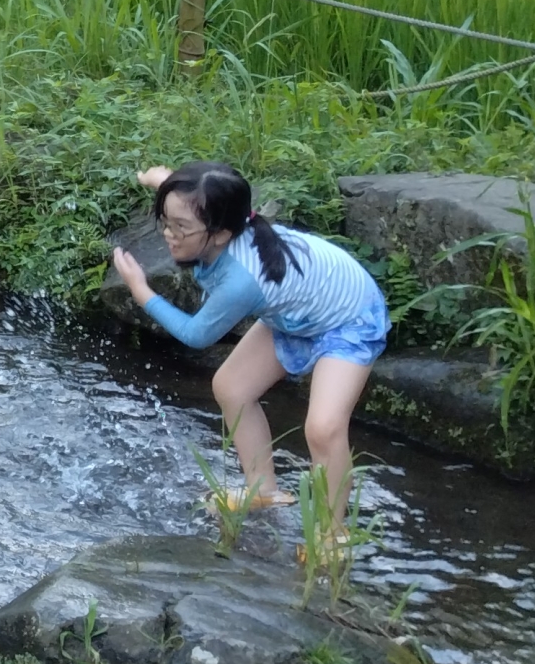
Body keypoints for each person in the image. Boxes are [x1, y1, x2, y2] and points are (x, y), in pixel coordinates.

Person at [108, 162, 389, 530]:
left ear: (222, 233)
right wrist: (157, 180)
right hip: (296, 313)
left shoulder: (241, 281)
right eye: (165, 220)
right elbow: (185, 200)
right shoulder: (214, 211)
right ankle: (263, 489)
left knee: (323, 428)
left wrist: (141, 291)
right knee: (232, 387)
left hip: (348, 318)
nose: (169, 234)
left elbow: (196, 335)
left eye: (181, 227)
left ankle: (332, 534)